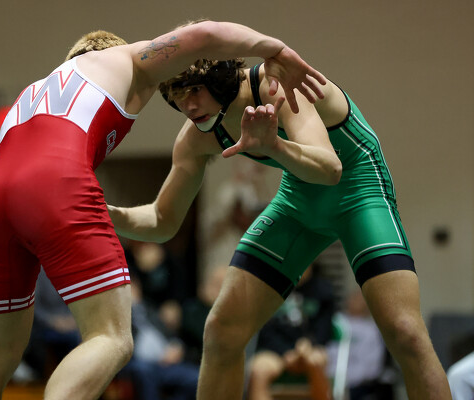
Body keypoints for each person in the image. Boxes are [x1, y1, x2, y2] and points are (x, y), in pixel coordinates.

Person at [0, 21, 327, 400]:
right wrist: (275, 50)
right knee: (111, 338)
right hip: (56, 183)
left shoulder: (30, 97)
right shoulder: (124, 58)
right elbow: (205, 34)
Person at [107, 22, 452, 400]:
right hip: (298, 201)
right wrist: (104, 213)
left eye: (194, 91)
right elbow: (162, 221)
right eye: (177, 95)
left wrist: (274, 147)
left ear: (220, 78)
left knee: (405, 332)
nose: (188, 106)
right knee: (221, 332)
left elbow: (330, 169)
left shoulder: (276, 85)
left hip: (359, 190)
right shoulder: (196, 137)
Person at [247, 263, 335, 400]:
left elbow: (324, 329)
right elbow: (265, 329)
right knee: (258, 370)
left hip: (309, 349)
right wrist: (286, 352)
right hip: (275, 351)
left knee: (316, 362)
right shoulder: (270, 288)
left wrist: (307, 345)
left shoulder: (323, 290)